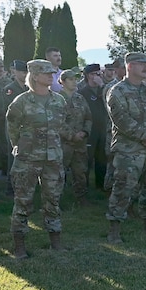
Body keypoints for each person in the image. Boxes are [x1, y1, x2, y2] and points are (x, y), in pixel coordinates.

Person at [5, 59, 68, 257]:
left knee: (53, 200)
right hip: (28, 159)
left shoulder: (59, 100)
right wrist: (22, 147)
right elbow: (12, 129)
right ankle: (20, 244)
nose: (51, 76)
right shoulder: (21, 102)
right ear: (35, 76)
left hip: (53, 158)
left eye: (52, 73)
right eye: (46, 73)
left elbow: (60, 126)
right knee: (23, 201)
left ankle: (55, 241)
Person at [105, 53, 146, 242]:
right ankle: (114, 229)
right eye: (142, 65)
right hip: (128, 150)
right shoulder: (117, 91)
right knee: (123, 189)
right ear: (130, 66)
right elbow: (121, 120)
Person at [59, 69, 92, 203]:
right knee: (58, 174)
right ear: (63, 81)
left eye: (75, 79)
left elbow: (88, 117)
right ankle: (56, 201)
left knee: (80, 172)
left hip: (80, 143)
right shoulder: (57, 99)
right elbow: (57, 121)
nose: (74, 82)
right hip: (63, 143)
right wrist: (72, 135)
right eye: (71, 79)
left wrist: (84, 132)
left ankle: (81, 198)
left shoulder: (80, 98)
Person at [78, 64, 109, 191]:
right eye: (94, 74)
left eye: (99, 74)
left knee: (102, 159)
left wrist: (102, 86)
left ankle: (100, 186)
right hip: (90, 130)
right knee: (86, 159)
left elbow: (111, 100)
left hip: (103, 128)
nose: (97, 76)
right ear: (88, 75)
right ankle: (83, 187)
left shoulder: (105, 89)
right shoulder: (82, 92)